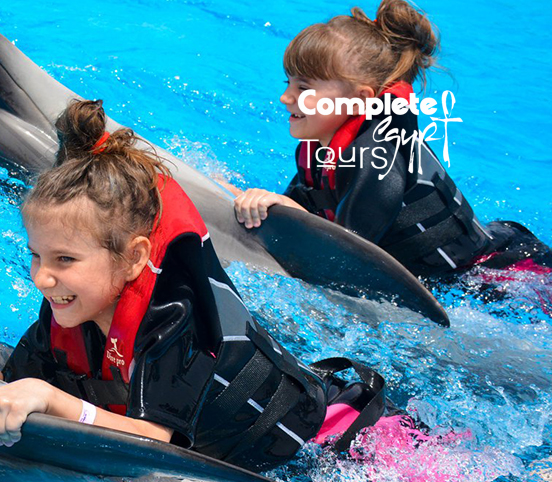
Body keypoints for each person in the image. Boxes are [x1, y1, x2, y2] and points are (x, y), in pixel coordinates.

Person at [0, 98, 375, 474]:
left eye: (65, 259)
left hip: (339, 447)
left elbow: (151, 441)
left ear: (134, 258)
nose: (42, 277)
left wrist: (51, 401)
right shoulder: (70, 304)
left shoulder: (175, 319)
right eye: (37, 257)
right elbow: (11, 382)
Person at [227, 0, 552, 280]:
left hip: (501, 273)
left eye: (303, 88)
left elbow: (349, 252)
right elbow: (303, 210)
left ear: (358, 100)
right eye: (288, 82)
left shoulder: (376, 156)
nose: (285, 97)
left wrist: (284, 208)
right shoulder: (319, 147)